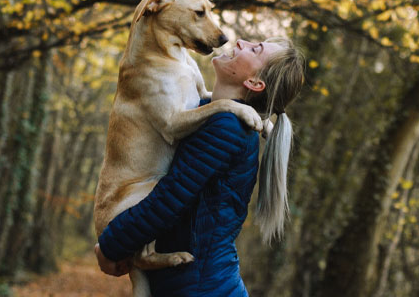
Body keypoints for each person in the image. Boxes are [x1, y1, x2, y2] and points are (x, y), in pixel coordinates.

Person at [94, 37, 305, 296]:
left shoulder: (228, 127)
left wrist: (110, 246)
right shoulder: (212, 117)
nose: (240, 42)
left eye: (254, 49)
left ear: (254, 83)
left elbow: (169, 199)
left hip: (203, 287)